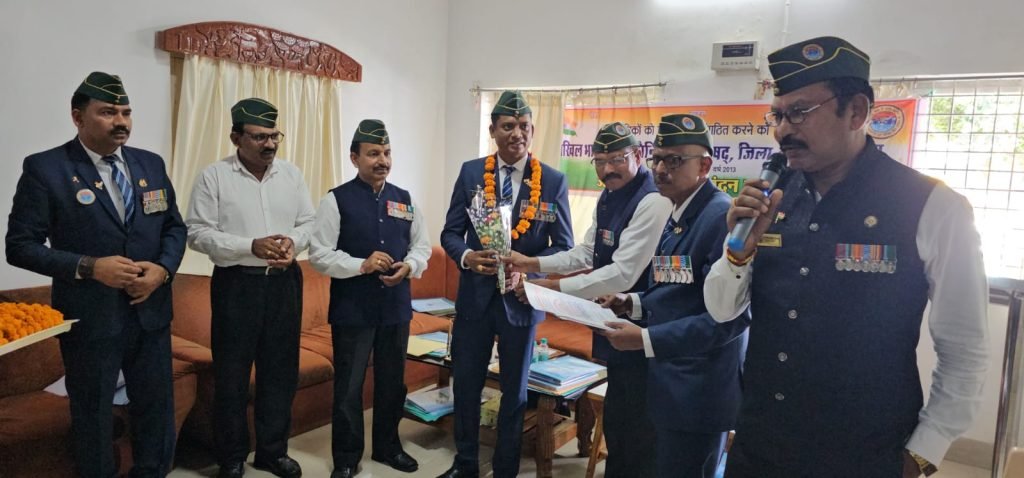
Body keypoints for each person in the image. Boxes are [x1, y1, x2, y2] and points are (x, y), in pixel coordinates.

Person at [704, 36, 989, 478]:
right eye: (777, 115)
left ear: (856, 111)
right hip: (761, 445)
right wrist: (737, 254)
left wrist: (924, 451)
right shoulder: (769, 198)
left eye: (800, 112)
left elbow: (964, 346)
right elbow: (722, 311)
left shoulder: (931, 205)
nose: (783, 130)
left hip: (865, 452)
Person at [6, 71, 186, 477]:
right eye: (107, 112)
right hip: (91, 319)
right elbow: (20, 246)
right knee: (93, 415)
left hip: (151, 313)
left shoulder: (150, 164)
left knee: (156, 410)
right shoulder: (46, 168)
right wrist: (89, 267)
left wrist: (163, 269)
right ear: (78, 117)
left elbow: (174, 227)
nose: (121, 121)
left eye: (126, 112)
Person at [505, 121, 671, 477]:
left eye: (617, 159)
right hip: (612, 323)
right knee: (619, 421)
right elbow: (586, 252)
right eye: (600, 161)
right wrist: (532, 263)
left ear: (637, 155)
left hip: (646, 330)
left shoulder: (653, 200)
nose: (607, 169)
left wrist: (550, 288)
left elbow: (623, 274)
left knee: (639, 430)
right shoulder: (609, 195)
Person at [599, 114, 749, 477]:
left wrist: (644, 339)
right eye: (657, 159)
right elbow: (679, 289)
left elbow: (726, 321)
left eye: (675, 160)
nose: (661, 169)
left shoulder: (719, 217)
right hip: (669, 384)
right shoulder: (679, 210)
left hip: (698, 393)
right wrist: (633, 302)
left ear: (705, 166)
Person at [438, 90, 573, 478]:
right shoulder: (470, 173)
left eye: (524, 126)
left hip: (522, 301)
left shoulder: (552, 180)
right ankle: (465, 463)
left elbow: (563, 245)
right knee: (466, 385)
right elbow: (451, 233)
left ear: (532, 130)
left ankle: (505, 469)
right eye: (508, 126)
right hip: (474, 299)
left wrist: (529, 271)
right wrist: (467, 257)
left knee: (515, 392)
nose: (517, 133)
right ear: (493, 130)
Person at [185, 98, 315, 478]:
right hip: (237, 286)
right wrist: (249, 246)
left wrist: (293, 243)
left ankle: (272, 452)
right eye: (259, 137)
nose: (269, 144)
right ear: (236, 138)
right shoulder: (214, 177)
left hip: (284, 285)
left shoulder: (291, 175)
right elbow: (197, 232)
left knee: (280, 373)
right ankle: (231, 458)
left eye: (274, 136)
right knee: (232, 376)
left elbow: (309, 222)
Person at [309, 119, 431, 478]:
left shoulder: (405, 199)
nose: (383, 161)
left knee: (393, 383)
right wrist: (360, 265)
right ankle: (347, 458)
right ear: (354, 158)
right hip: (353, 309)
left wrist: (410, 266)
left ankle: (388, 448)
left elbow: (421, 246)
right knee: (349, 386)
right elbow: (319, 254)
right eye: (374, 153)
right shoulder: (335, 200)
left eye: (387, 153)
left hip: (395, 308)